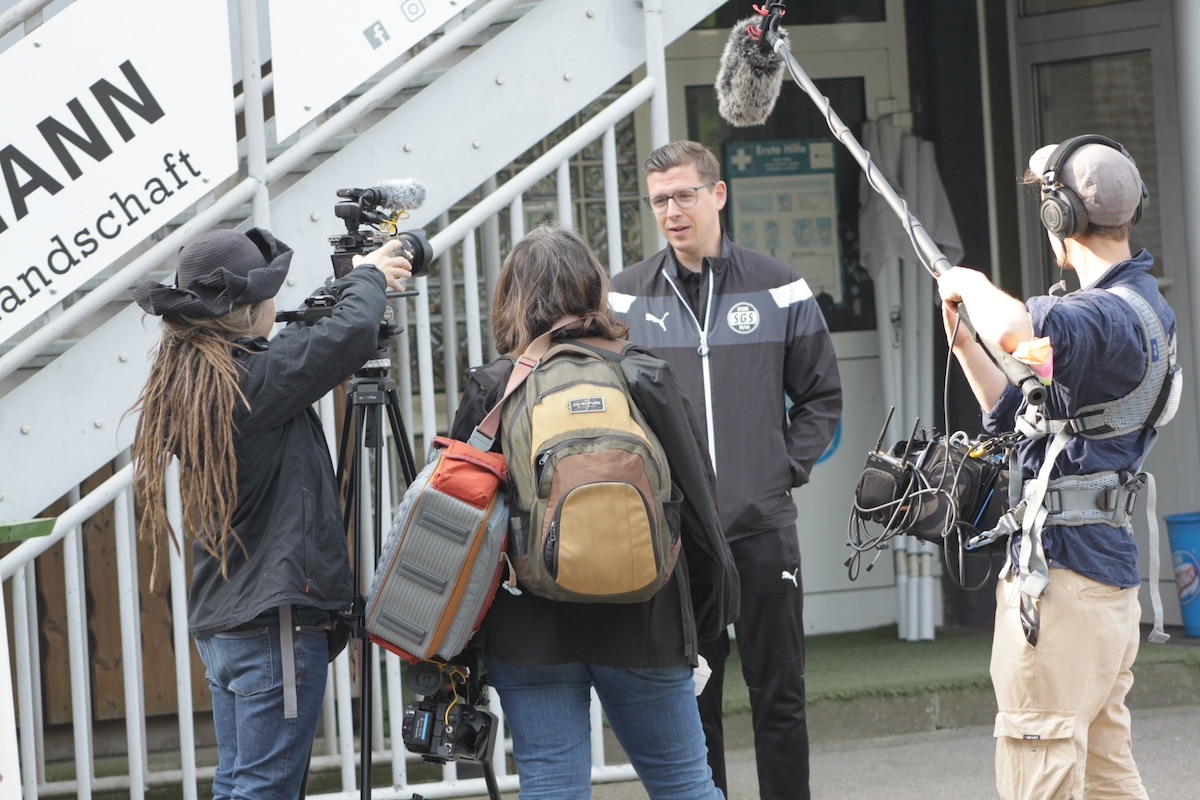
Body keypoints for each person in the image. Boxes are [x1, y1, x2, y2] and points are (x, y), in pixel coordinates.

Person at [448, 222, 738, 800]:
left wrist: (465, 648)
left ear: (513, 299)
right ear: (592, 288)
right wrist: (702, 624)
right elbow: (702, 510)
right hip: (644, 617)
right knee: (684, 782)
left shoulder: (496, 390)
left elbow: (461, 525)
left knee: (552, 782)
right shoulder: (644, 374)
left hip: (529, 627)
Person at [128, 227, 413, 798]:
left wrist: (352, 284)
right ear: (249, 313)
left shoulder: (206, 377)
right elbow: (349, 334)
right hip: (270, 627)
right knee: (263, 791)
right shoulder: (250, 381)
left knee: (239, 785)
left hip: (229, 625)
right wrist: (371, 277)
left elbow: (308, 347)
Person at [937, 135, 1179, 800]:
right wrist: (964, 341)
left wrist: (969, 282)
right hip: (1098, 586)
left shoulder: (1100, 316)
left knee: (1038, 766)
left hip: (1062, 586)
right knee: (1106, 776)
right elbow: (1021, 399)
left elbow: (1016, 329)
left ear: (1059, 219)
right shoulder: (1137, 311)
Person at [609, 140, 843, 800]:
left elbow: (822, 395)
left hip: (764, 526)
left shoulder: (779, 286)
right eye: (660, 200)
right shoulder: (624, 299)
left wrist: (783, 466)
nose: (673, 211)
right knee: (695, 705)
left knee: (781, 696)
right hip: (681, 540)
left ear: (718, 193)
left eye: (685, 195)